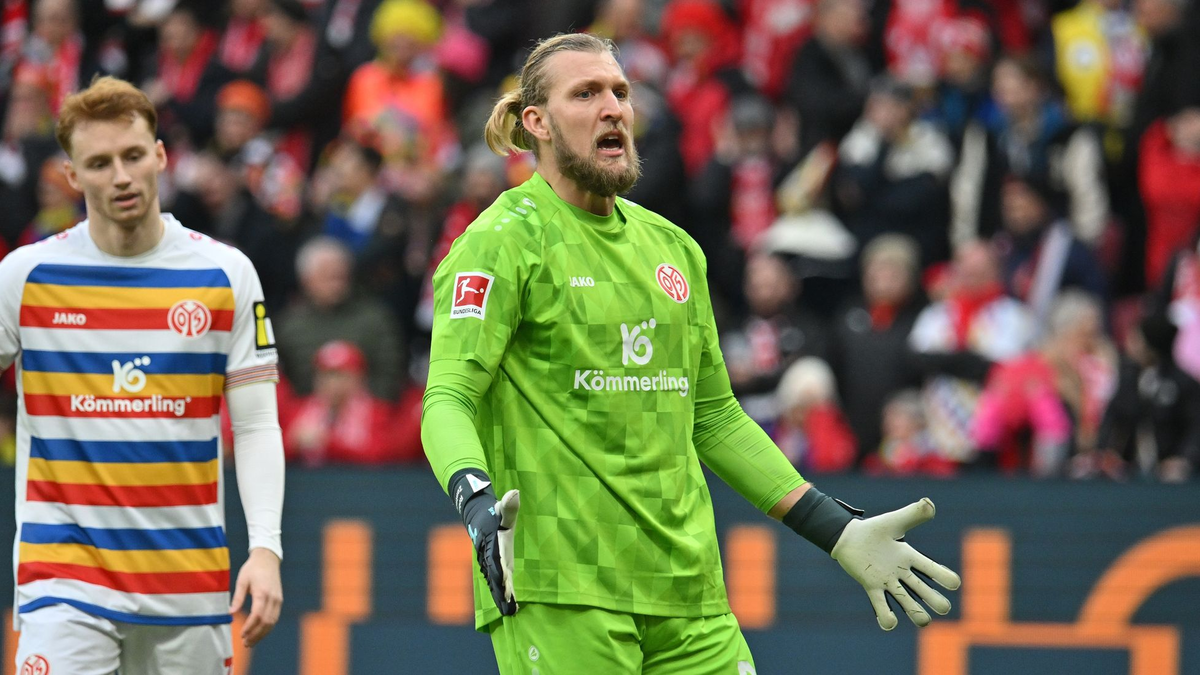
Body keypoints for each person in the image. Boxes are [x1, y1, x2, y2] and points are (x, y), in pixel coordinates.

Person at [421, 33, 961, 674]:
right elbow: (448, 398)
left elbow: (714, 417)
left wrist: (834, 527)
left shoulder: (674, 249)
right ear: (536, 122)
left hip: (689, 592)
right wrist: (477, 504)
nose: (613, 108)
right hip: (561, 586)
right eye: (586, 94)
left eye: (620, 92)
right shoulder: (501, 243)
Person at [0, 77, 283, 673]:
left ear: (160, 155)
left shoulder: (225, 273)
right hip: (63, 582)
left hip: (189, 585)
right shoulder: (25, 277)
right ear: (72, 176)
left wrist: (265, 549)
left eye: (133, 156)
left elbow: (256, 426)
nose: (121, 176)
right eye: (99, 164)